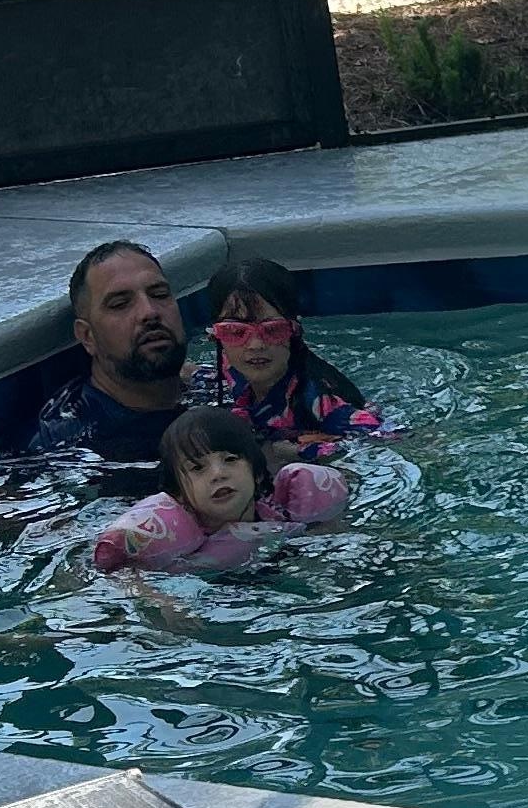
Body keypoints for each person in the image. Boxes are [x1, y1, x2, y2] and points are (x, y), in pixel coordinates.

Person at [91, 406, 348, 575]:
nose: (218, 474)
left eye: (231, 459)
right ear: (179, 494)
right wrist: (156, 598)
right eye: (197, 468)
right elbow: (122, 576)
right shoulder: (169, 544)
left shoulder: (284, 514)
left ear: (257, 473)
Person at [25, 241, 195, 474]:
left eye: (159, 294)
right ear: (87, 336)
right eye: (120, 304)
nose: (149, 312)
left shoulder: (215, 381)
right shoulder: (63, 444)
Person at [191, 251, 387, 448]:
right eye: (235, 331)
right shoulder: (232, 370)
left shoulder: (320, 403)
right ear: (214, 336)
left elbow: (378, 434)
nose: (255, 345)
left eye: (273, 329)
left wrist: (301, 452)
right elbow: (193, 372)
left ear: (294, 331)